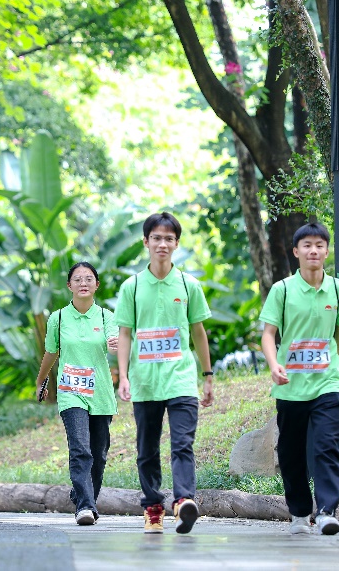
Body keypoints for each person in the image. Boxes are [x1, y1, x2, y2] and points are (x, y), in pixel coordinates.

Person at [116, 212, 214, 535]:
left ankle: (184, 501)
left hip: (182, 378)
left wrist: (208, 374)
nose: (162, 244)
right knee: (147, 449)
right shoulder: (131, 287)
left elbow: (198, 332)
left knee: (182, 443)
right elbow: (126, 333)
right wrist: (124, 376)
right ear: (146, 242)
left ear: (176, 244)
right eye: (156, 238)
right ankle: (153, 508)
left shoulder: (188, 284)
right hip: (144, 382)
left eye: (168, 238)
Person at [259, 222, 339, 536]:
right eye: (307, 245)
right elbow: (268, 334)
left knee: (327, 445)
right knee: (290, 452)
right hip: (290, 387)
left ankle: (327, 511)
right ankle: (300, 513)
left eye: (319, 245)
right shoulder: (283, 290)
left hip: (327, 383)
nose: (313, 250)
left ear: (326, 251)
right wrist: (274, 364)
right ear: (296, 251)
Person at [35, 262, 119, 526]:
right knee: (80, 448)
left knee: (99, 453)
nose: (83, 283)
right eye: (78, 279)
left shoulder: (106, 317)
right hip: (71, 392)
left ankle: (82, 494)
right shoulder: (58, 318)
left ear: (97, 285)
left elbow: (116, 344)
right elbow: (51, 353)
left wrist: (116, 345)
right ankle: (84, 506)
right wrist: (41, 380)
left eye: (89, 278)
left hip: (101, 394)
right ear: (69, 285)